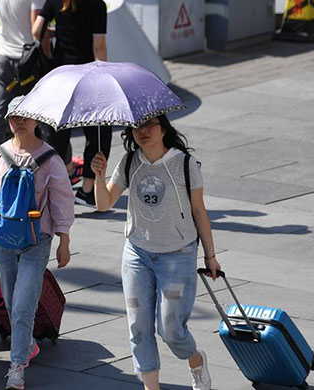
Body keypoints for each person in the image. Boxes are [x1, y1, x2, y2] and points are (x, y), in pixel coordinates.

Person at [90, 115, 221, 390]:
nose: (143, 131)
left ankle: (196, 359)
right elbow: (104, 204)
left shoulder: (184, 164)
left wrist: (210, 256)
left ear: (164, 128)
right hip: (137, 255)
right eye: (137, 126)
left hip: (177, 256)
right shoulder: (129, 162)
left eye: (150, 124)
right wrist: (99, 176)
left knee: (171, 329)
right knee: (138, 327)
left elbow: (199, 211)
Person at [0, 96, 74, 390]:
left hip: (37, 239)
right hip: (1, 239)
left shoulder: (50, 159)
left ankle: (17, 367)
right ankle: (27, 345)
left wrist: (64, 239)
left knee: (22, 305)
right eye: (13, 117)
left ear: (36, 120)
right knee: (11, 300)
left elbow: (62, 200)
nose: (19, 122)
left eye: (24, 117)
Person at [32, 0, 110, 207]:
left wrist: (54, 41)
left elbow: (36, 30)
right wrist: (104, 76)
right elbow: (98, 46)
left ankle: (53, 189)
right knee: (98, 132)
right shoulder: (97, 5)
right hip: (87, 76)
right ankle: (87, 189)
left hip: (61, 75)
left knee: (58, 132)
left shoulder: (55, 1)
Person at [0, 0, 46, 203]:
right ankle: (60, 165)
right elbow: (36, 31)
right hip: (28, 59)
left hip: (3, 55)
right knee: (42, 113)